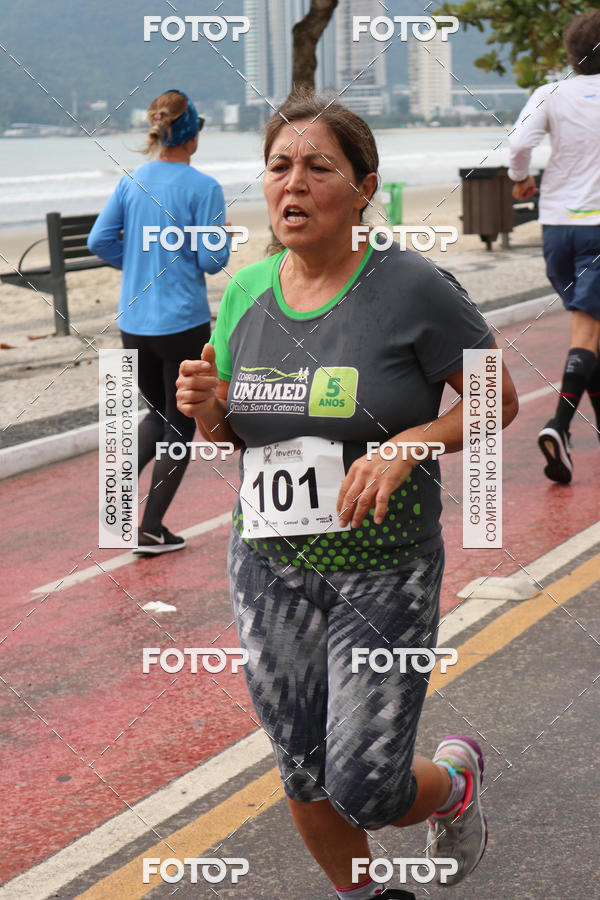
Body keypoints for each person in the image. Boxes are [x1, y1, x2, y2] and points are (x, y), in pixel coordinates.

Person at [177, 91, 519, 898]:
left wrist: (408, 444)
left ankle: (453, 784)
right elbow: (232, 437)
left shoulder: (413, 287)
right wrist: (206, 407)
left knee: (365, 787)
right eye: (279, 166)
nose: (293, 183)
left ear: (364, 187)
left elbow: (496, 399)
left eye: (318, 167)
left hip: (383, 569)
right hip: (268, 562)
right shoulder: (245, 291)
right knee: (302, 769)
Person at [88, 89, 230, 553]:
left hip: (134, 323)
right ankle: (150, 530)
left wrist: (135, 262)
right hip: (182, 323)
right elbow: (212, 261)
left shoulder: (131, 181)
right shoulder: (204, 188)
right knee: (180, 426)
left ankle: (116, 509)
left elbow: (98, 240)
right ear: (192, 136)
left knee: (156, 414)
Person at [508, 10, 600, 484]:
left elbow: (518, 145)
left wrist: (520, 179)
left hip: (558, 231)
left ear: (571, 54)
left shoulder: (549, 93)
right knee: (587, 334)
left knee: (593, 333)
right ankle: (559, 425)